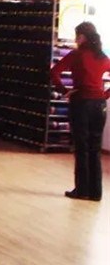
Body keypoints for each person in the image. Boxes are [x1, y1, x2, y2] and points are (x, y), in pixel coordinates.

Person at [51, 22, 110, 202]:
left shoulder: (76, 55)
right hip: (100, 105)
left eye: (77, 35)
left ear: (82, 36)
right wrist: (105, 94)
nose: (75, 39)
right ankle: (96, 192)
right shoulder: (102, 56)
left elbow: (54, 72)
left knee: (81, 147)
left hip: (81, 102)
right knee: (95, 148)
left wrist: (64, 91)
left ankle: (82, 190)